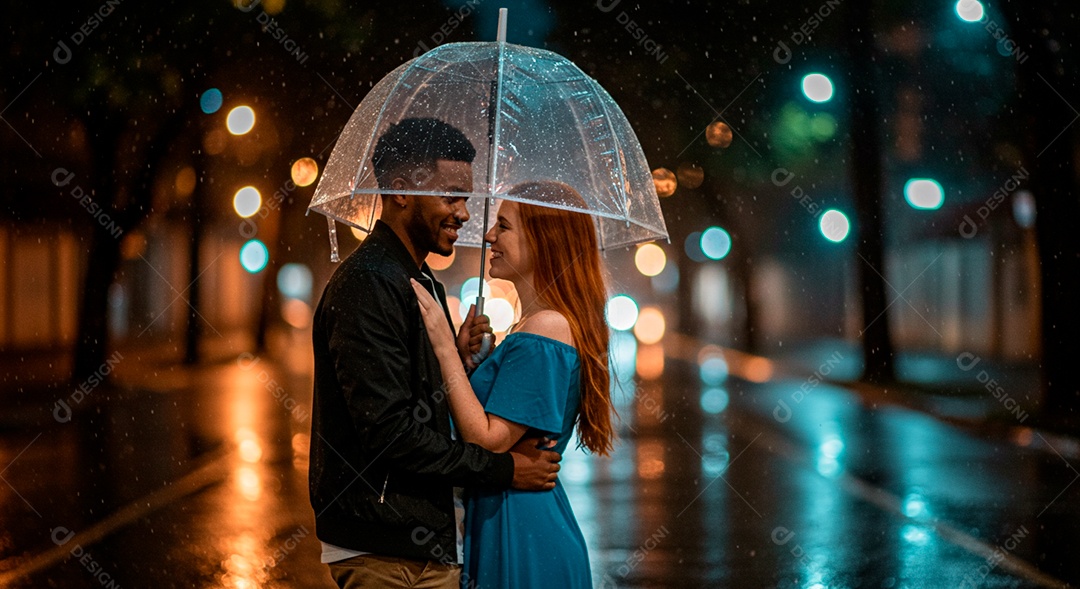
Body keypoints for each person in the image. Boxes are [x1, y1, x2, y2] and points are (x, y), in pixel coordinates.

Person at [309, 118, 562, 589]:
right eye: (451, 195)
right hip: (387, 547)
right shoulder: (369, 283)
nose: (465, 215)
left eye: (465, 198)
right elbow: (389, 432)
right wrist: (503, 469)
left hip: (420, 540)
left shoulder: (419, 280)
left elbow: (414, 401)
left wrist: (456, 366)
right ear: (402, 191)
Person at [409, 180, 614, 589]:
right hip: (509, 518)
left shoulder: (547, 329)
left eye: (503, 226)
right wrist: (469, 366)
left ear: (543, 240)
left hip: (523, 531)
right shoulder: (532, 328)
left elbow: (489, 442)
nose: (489, 236)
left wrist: (444, 350)